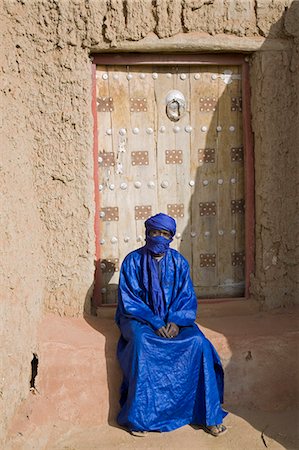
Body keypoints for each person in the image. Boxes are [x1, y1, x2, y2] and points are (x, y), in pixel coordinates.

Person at [115, 213, 228, 437]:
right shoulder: (132, 260)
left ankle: (208, 415)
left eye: (164, 234)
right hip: (139, 319)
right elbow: (131, 301)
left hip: (176, 319)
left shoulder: (178, 262)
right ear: (147, 234)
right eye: (155, 233)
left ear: (170, 237)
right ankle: (140, 418)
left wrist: (175, 321)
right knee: (142, 342)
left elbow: (186, 297)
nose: (159, 237)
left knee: (198, 343)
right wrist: (156, 322)